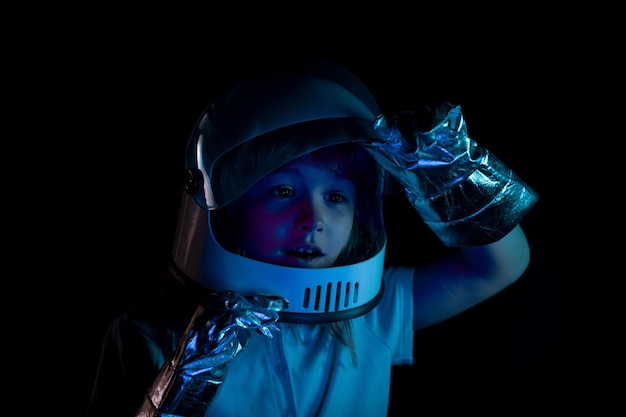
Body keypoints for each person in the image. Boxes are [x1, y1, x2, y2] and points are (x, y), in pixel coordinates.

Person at [85, 55, 538, 417]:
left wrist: (452, 176)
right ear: (228, 206)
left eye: (337, 197)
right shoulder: (145, 333)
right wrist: (179, 386)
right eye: (283, 191)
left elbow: (500, 267)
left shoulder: (373, 316)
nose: (313, 219)